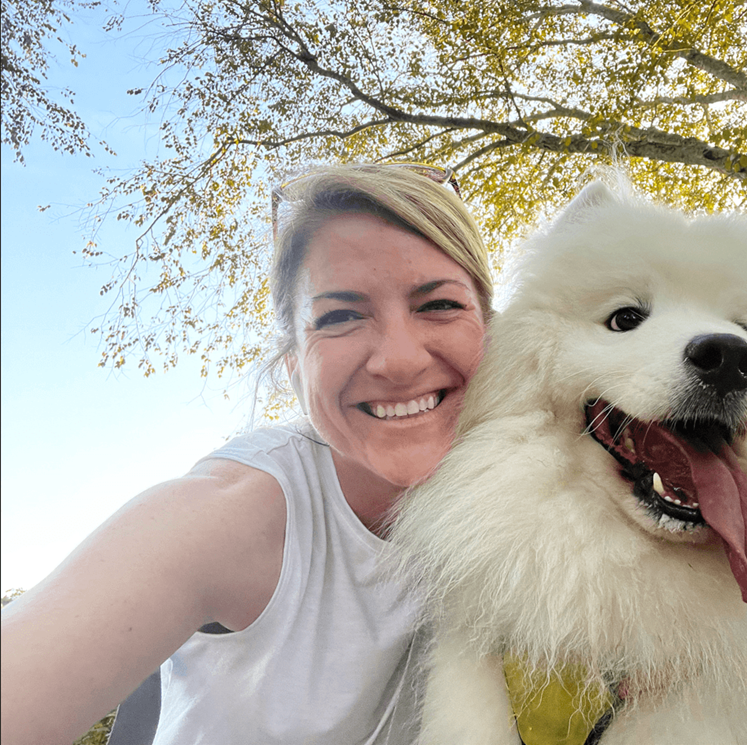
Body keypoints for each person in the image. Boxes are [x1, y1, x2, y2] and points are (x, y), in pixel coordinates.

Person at [0, 164, 494, 744]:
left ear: (494, 328)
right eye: (339, 316)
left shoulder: (540, 487)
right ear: (293, 366)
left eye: (438, 305)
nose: (400, 360)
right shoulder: (236, 513)